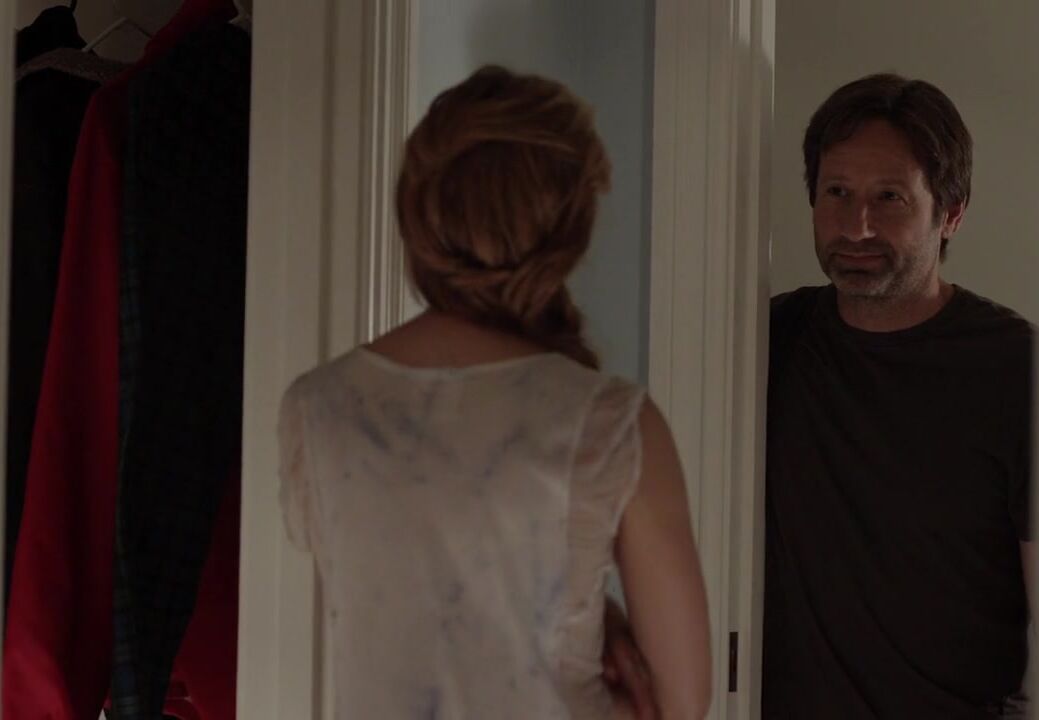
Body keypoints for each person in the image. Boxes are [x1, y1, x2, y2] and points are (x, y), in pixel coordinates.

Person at [277, 65, 712, 719]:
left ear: (415, 212)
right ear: (571, 230)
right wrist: (601, 623)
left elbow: (423, 590)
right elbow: (678, 702)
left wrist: (597, 617)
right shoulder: (614, 422)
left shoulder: (318, 408)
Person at [606, 73, 1036, 719]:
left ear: (950, 214)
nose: (856, 226)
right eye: (837, 192)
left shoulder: (1016, 370)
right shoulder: (760, 345)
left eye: (889, 197)